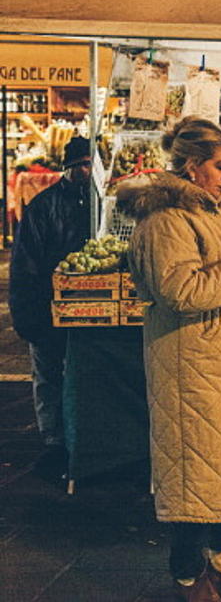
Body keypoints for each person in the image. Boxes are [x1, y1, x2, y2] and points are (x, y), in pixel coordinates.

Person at [117, 117, 221, 602]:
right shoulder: (165, 221)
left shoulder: (208, 212)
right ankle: (189, 578)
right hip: (188, 361)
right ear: (192, 166)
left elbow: (218, 276)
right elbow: (179, 290)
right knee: (195, 478)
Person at [9, 136, 92, 481]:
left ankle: (75, 437)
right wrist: (30, 314)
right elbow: (25, 267)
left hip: (81, 309)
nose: (88, 172)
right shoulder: (44, 207)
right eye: (83, 166)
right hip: (45, 306)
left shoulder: (95, 204)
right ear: (70, 169)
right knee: (47, 375)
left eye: (91, 165)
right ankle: (53, 441)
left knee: (73, 374)